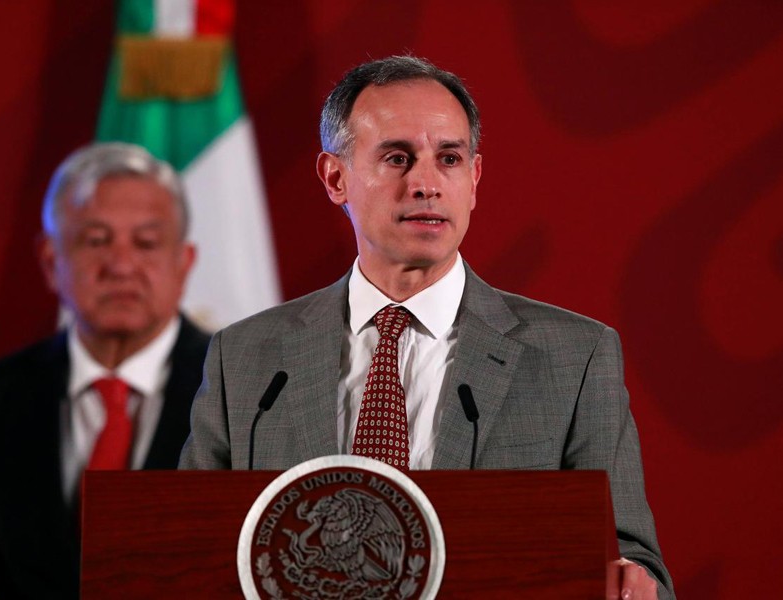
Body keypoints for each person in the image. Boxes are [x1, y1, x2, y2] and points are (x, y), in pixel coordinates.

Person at [178, 56, 673, 598]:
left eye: (449, 159)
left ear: (474, 179)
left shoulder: (574, 358)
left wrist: (633, 580)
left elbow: (632, 559)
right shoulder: (246, 357)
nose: (426, 184)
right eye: (397, 158)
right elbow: (185, 549)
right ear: (336, 178)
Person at [0, 142, 210, 599]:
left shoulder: (247, 388)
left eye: (146, 243)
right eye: (95, 240)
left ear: (184, 263)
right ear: (51, 261)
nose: (121, 266)